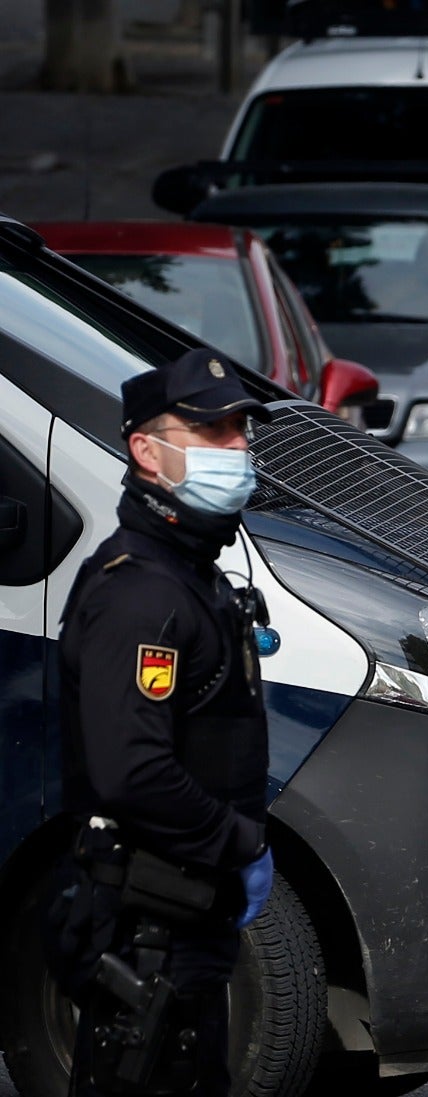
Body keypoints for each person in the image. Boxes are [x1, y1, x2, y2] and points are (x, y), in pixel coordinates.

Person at [48, 349, 276, 1097]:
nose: (237, 447)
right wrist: (239, 841)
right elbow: (132, 772)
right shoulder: (141, 594)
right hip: (147, 931)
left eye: (241, 428)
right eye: (211, 431)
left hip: (184, 923)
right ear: (147, 450)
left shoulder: (192, 576)